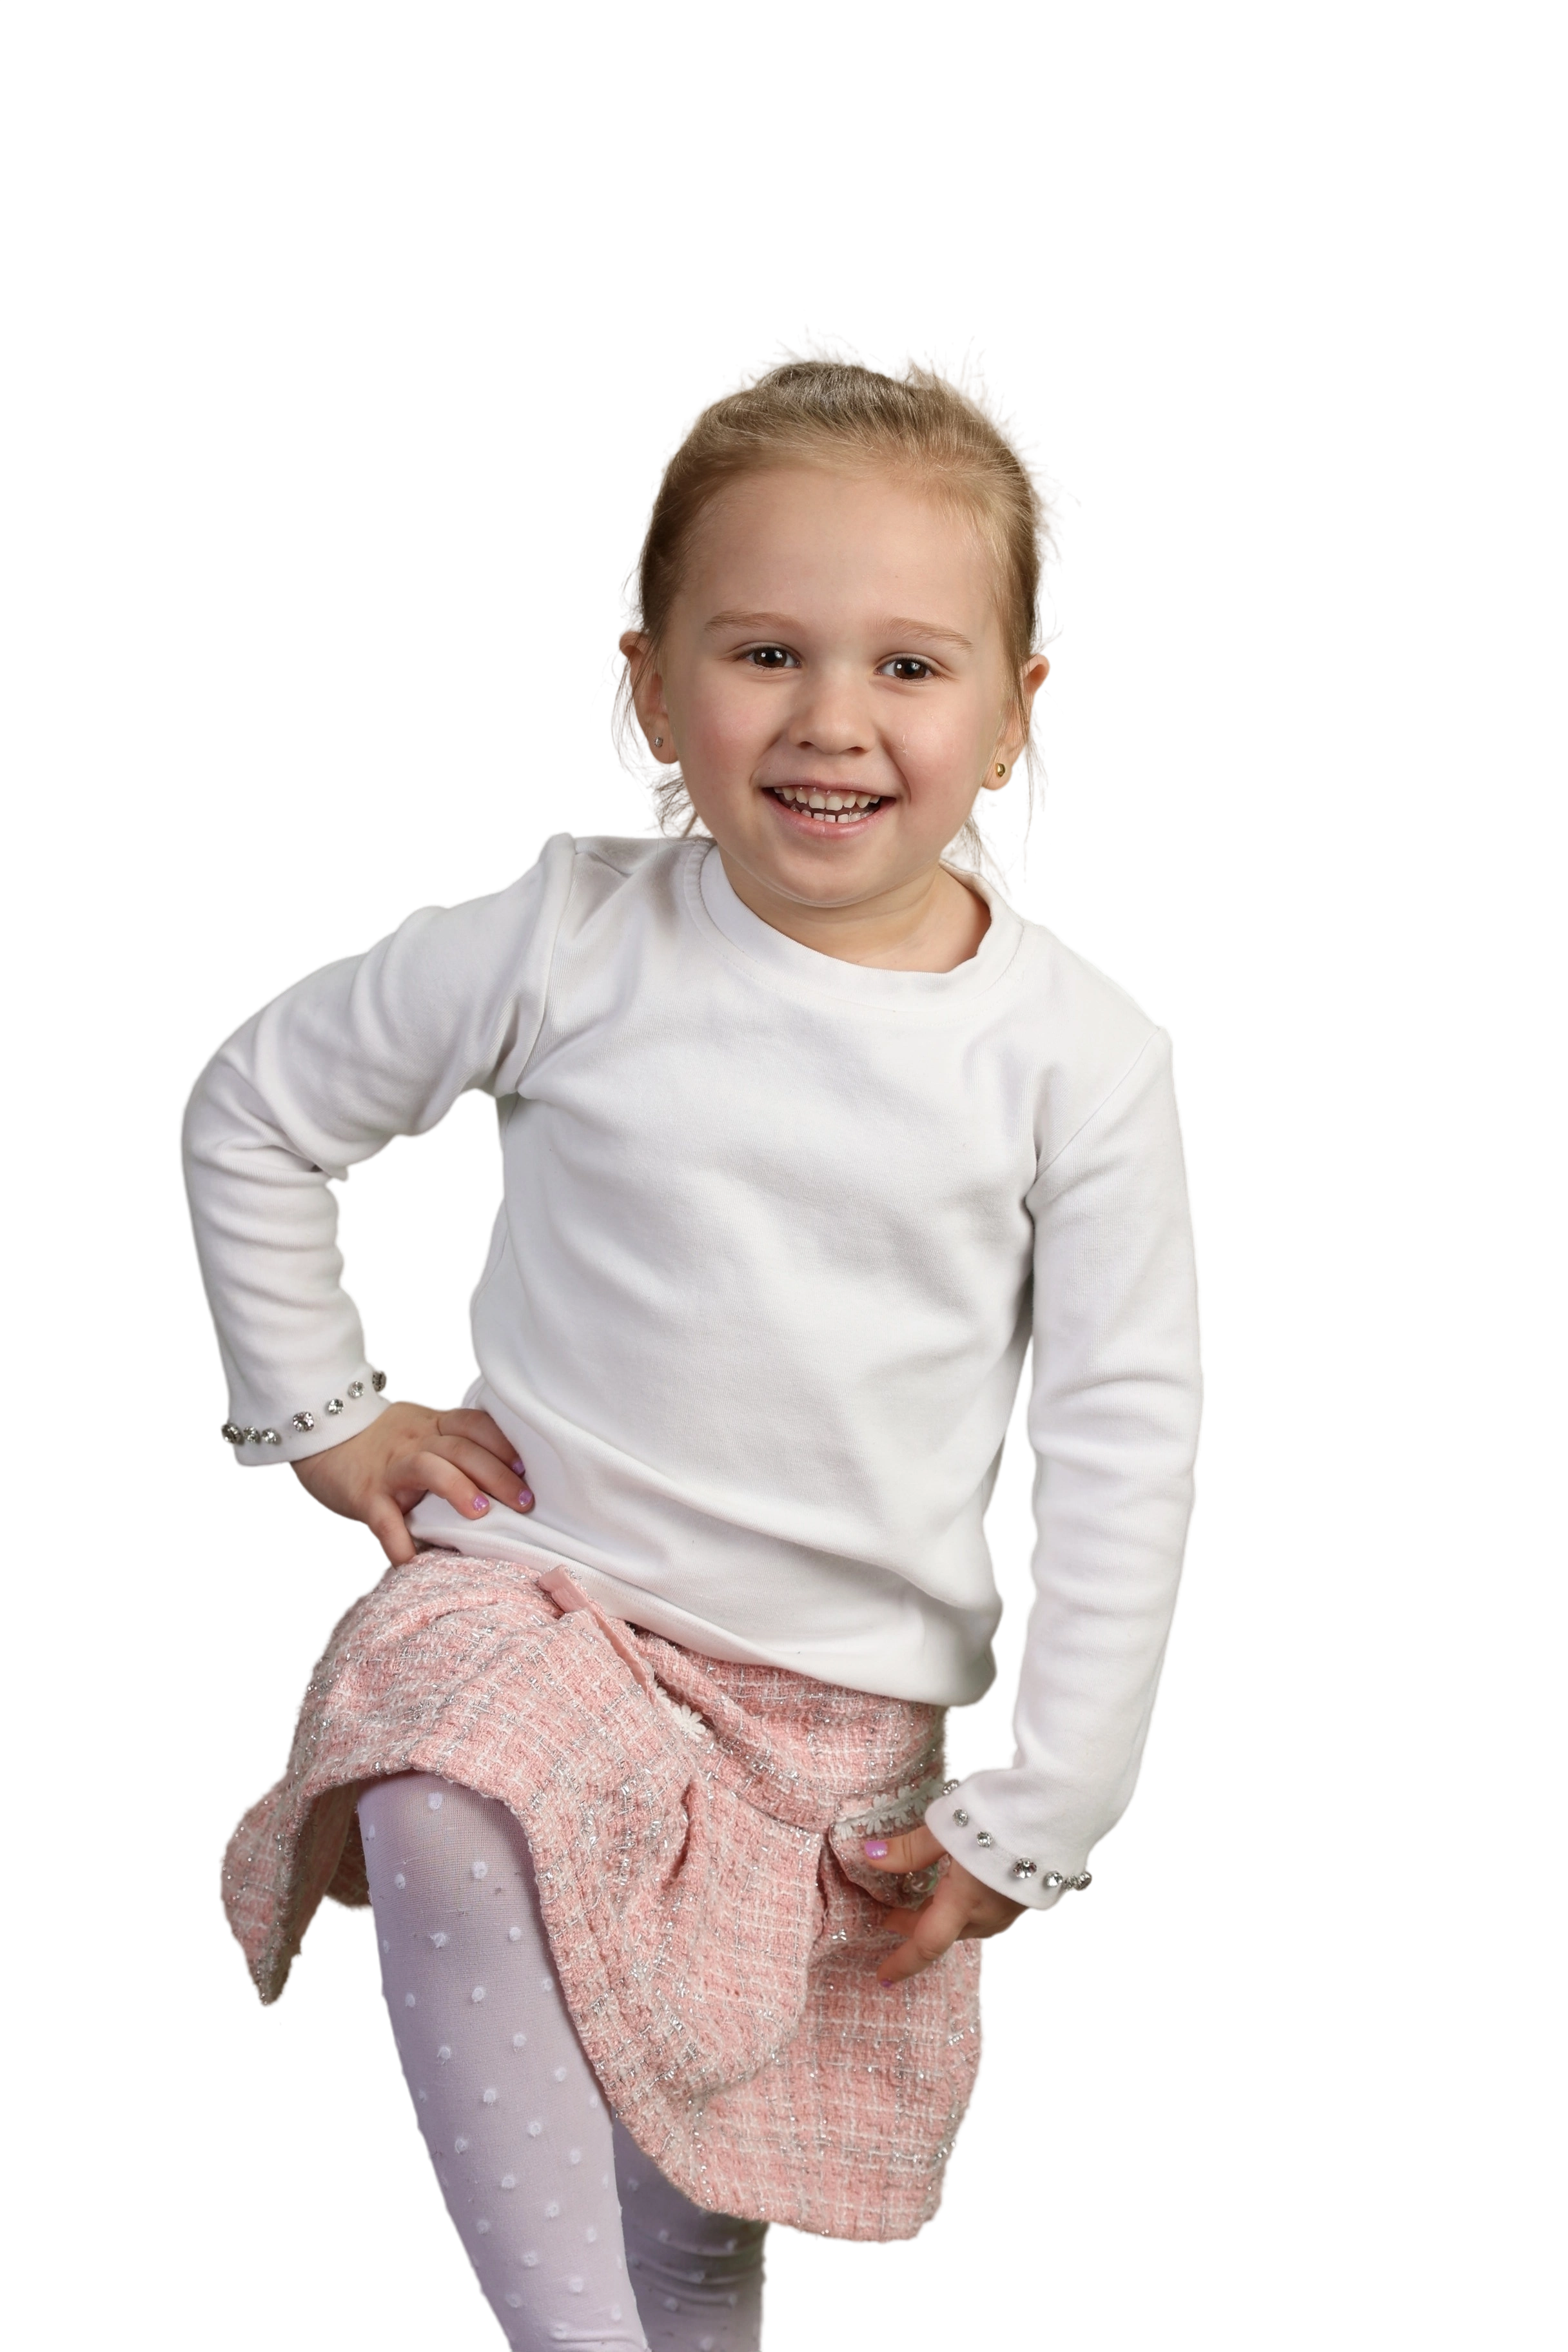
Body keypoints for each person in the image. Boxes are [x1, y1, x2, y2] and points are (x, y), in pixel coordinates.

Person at [177, 323, 1206, 2351]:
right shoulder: (570, 937)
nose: (834, 720)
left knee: (692, 2215)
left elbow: (1123, 1438)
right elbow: (257, 1106)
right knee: (444, 1776)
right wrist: (328, 1412)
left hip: (836, 1717)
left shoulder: (1076, 1059)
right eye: (766, 652)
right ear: (649, 686)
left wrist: (1045, 1801)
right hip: (548, 1599)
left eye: (908, 665)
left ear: (1019, 713)